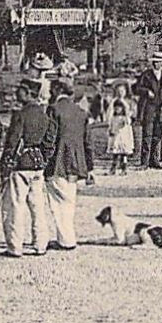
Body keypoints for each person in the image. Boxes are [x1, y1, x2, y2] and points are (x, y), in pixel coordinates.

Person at [0, 78, 58, 257]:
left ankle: (15, 247)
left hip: (20, 165)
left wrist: (5, 165)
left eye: (20, 91)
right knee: (37, 206)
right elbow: (49, 142)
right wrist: (44, 159)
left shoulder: (20, 115)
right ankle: (40, 245)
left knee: (15, 206)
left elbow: (12, 142)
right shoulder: (45, 115)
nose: (17, 94)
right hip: (37, 165)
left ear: (29, 93)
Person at [44, 78, 94, 251]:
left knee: (57, 201)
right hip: (76, 161)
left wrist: (43, 158)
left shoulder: (53, 110)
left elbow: (50, 138)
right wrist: (90, 167)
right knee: (69, 200)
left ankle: (66, 240)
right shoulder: (81, 112)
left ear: (57, 91)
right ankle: (66, 237)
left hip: (57, 160)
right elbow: (88, 142)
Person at [133, 52, 162, 169]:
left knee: (158, 134)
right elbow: (136, 88)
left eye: (159, 61)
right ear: (152, 62)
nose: (157, 64)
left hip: (161, 108)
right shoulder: (146, 75)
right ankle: (144, 162)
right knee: (147, 134)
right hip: (148, 108)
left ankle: (154, 160)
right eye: (155, 61)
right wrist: (146, 91)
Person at [106, 97, 135, 173]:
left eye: (119, 108)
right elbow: (111, 125)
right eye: (115, 108)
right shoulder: (113, 118)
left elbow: (127, 122)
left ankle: (124, 167)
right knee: (115, 152)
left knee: (123, 153)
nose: (117, 109)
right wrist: (110, 131)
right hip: (116, 137)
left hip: (123, 137)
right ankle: (113, 167)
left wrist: (127, 115)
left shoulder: (124, 118)